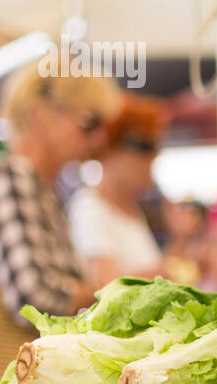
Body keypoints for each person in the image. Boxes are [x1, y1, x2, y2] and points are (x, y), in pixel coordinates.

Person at [0, 59, 119, 319]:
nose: (99, 137)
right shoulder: (15, 179)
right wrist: (101, 290)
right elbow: (33, 296)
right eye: (90, 122)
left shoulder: (41, 187)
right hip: (5, 356)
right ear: (41, 114)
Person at [68, 94, 170, 284]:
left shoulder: (132, 212)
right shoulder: (91, 210)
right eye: (145, 155)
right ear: (112, 150)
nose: (149, 168)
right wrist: (159, 279)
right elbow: (105, 289)